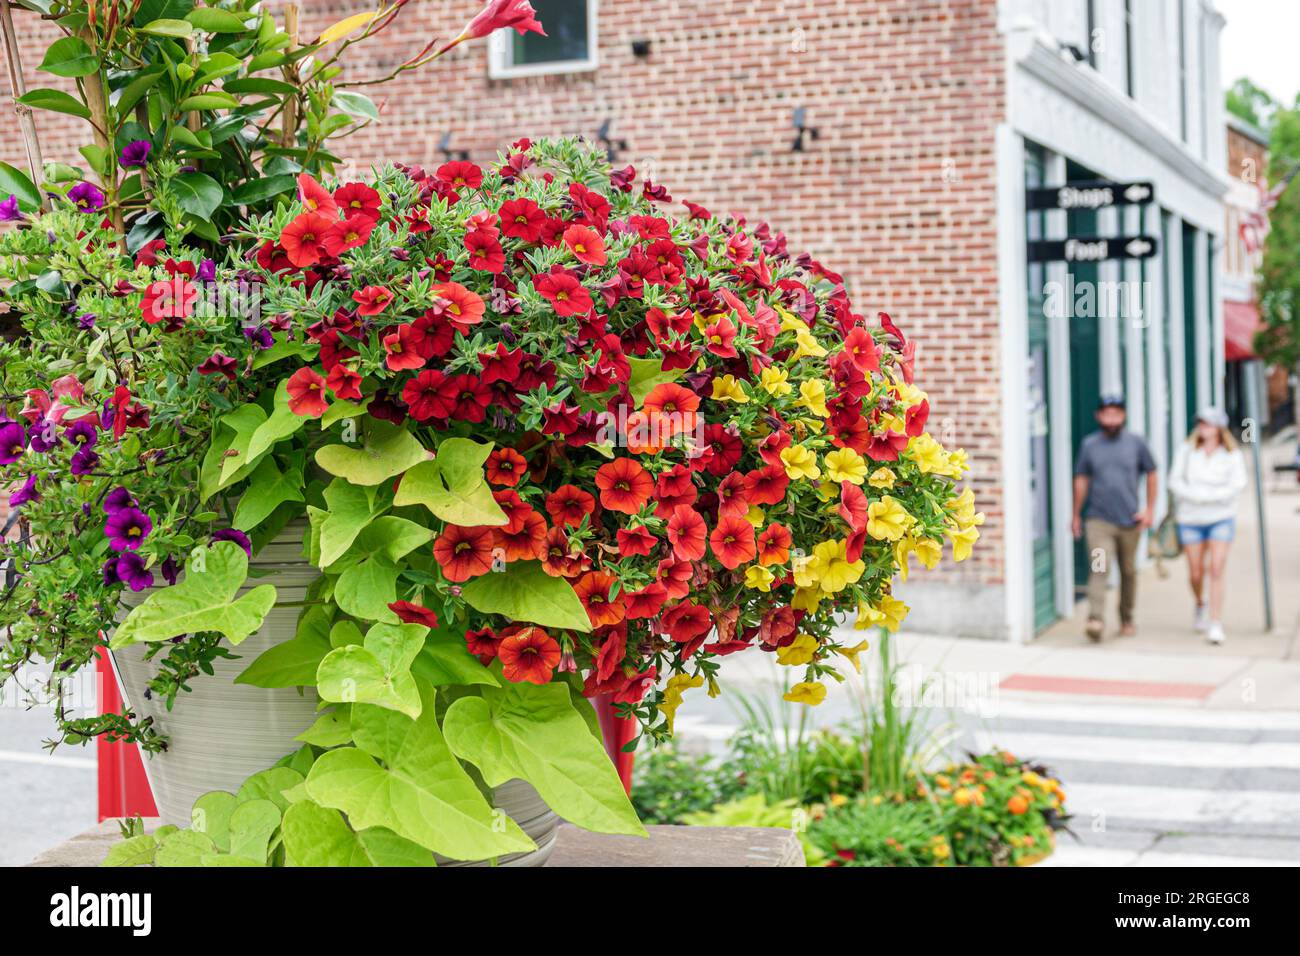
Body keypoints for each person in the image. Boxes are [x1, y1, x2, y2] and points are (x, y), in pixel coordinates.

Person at [1072, 395, 1158, 641]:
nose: (1111, 419)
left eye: (1116, 413)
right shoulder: (1090, 445)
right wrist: (1076, 514)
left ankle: (1127, 617)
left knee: (1128, 572)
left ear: (1123, 416)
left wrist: (1150, 509)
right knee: (1099, 567)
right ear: (1098, 416)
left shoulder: (1136, 443)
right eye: (1106, 414)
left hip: (1130, 520)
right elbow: (1081, 479)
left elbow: (1152, 473)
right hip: (1099, 520)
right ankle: (1095, 618)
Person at [1168, 407, 1248, 645]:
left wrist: (1210, 497)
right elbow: (1175, 481)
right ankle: (1200, 604)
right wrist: (1195, 496)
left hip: (1220, 517)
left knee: (1216, 568)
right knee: (1195, 571)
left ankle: (1215, 621)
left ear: (1219, 428)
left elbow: (1237, 484)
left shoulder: (1231, 454)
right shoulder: (1187, 451)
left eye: (1209, 424)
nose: (1204, 428)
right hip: (1191, 518)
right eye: (1201, 423)